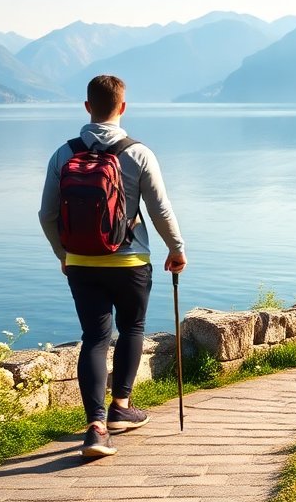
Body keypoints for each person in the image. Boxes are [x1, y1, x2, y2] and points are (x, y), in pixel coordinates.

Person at [39, 75, 188, 458]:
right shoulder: (138, 153)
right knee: (132, 327)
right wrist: (177, 249)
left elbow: (47, 214)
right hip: (131, 261)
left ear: (87, 106)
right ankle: (121, 406)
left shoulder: (63, 154)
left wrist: (63, 254)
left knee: (94, 338)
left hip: (82, 263)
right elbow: (160, 210)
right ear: (123, 107)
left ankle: (96, 427)